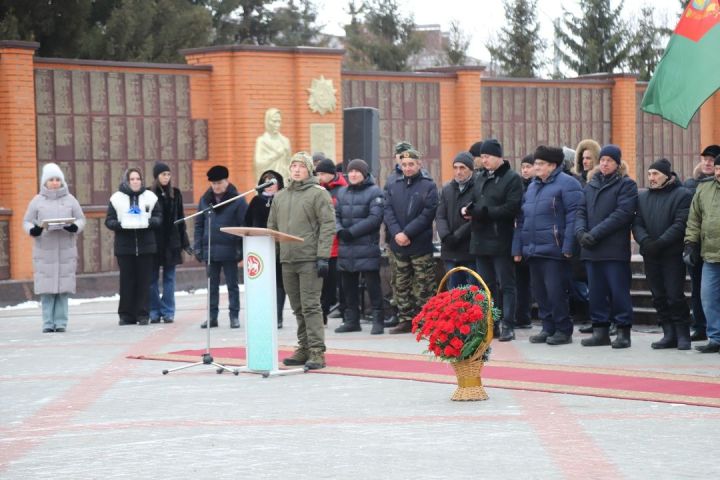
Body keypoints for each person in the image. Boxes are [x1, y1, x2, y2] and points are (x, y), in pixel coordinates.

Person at [268, 152, 335, 369]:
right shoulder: (281, 196)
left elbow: (327, 225)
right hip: (288, 259)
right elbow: (272, 228)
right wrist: (271, 254)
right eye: (293, 166)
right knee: (297, 307)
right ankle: (304, 347)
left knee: (310, 306)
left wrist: (323, 256)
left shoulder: (318, 194)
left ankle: (317, 351)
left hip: (310, 259)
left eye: (301, 166)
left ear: (309, 170)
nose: (296, 170)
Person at [513, 147, 583, 345]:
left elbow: (574, 217)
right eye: (535, 163)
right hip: (533, 249)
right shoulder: (533, 187)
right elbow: (522, 218)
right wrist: (518, 248)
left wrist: (568, 245)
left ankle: (563, 329)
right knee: (540, 293)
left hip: (555, 249)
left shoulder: (568, 184)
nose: (536, 167)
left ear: (553, 166)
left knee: (556, 292)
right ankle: (547, 327)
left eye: (540, 164)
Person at [575, 144, 638, 348]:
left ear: (617, 163)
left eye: (609, 160)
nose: (604, 164)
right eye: (602, 160)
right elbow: (580, 211)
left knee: (619, 292)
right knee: (596, 292)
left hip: (613, 250)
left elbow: (622, 214)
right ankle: (600, 331)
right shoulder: (591, 184)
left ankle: (623, 331)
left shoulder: (626, 185)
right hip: (591, 249)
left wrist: (595, 233)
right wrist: (580, 232)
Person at [461, 139, 523, 342]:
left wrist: (483, 212)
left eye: (488, 156)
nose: (484, 160)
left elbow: (511, 208)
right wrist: (469, 210)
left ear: (499, 157)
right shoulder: (480, 177)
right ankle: (491, 323)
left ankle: (508, 324)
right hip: (480, 239)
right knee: (486, 285)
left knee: (506, 284)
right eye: (483, 157)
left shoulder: (512, 178)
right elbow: (478, 202)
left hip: (500, 239)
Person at [632, 158, 693, 350]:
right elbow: (637, 223)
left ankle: (683, 334)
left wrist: (660, 243)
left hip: (672, 255)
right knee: (658, 295)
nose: (651, 178)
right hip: (650, 254)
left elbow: (680, 224)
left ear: (667, 175)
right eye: (649, 174)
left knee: (675, 295)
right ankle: (668, 333)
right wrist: (645, 241)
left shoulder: (682, 194)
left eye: (655, 174)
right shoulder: (642, 197)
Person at [23, 163, 86, 333]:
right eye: (51, 179)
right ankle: (48, 323)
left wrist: (74, 227)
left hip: (65, 250)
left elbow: (81, 219)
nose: (55, 182)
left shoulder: (70, 199)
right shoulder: (37, 201)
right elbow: (27, 221)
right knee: (47, 290)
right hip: (45, 251)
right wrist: (33, 230)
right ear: (45, 182)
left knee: (62, 290)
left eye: (58, 179)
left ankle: (61, 323)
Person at [384, 149, 439, 334]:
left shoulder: (428, 186)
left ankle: (426, 320)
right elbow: (388, 210)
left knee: (424, 285)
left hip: (419, 244)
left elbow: (427, 214)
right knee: (401, 284)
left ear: (419, 165)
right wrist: (397, 233)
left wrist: (407, 233)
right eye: (404, 164)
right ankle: (406, 319)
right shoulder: (393, 184)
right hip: (398, 244)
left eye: (411, 164)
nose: (407, 168)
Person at [105, 168, 162, 326]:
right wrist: (122, 224)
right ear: (127, 181)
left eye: (138, 178)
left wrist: (148, 222)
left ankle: (143, 314)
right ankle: (126, 315)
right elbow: (109, 221)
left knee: (144, 282)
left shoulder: (150, 197)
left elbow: (158, 217)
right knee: (127, 281)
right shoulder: (116, 198)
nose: (136, 181)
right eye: (132, 179)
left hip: (146, 247)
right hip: (125, 247)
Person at [334, 159, 385, 334]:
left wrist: (352, 232)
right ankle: (351, 320)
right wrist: (340, 230)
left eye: (357, 171)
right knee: (348, 286)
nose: (353, 174)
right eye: (351, 171)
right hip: (346, 246)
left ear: (364, 174)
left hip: (366, 246)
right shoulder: (342, 192)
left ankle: (378, 319)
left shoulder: (374, 192)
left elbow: (374, 219)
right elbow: (335, 215)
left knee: (373, 285)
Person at [193, 165, 248, 329]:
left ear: (227, 181)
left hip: (230, 250)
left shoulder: (237, 200)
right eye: (213, 183)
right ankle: (212, 317)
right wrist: (198, 247)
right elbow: (199, 225)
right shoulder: (205, 200)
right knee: (212, 285)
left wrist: (241, 250)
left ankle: (234, 316)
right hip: (210, 249)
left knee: (232, 285)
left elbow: (244, 225)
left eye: (219, 183)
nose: (216, 186)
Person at [683, 154, 720, 353]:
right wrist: (690, 243)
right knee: (708, 297)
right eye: (717, 169)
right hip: (711, 256)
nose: (718, 173)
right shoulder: (704, 188)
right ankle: (715, 338)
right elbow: (694, 219)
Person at [148, 163, 191, 324]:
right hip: (154, 242)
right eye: (163, 174)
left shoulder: (176, 194)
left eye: (168, 174)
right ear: (156, 176)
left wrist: (184, 243)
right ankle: (154, 310)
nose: (166, 177)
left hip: (171, 242)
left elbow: (181, 219)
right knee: (151, 279)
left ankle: (168, 311)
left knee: (169, 278)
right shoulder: (148, 194)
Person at [245, 169, 286, 328]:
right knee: (261, 283)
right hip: (259, 248)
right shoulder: (256, 201)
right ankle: (262, 315)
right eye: (265, 182)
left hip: (279, 247)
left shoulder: (284, 200)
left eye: (272, 182)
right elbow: (247, 222)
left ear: (279, 184)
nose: (269, 186)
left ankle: (278, 317)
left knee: (278, 284)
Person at [315, 158, 348, 325]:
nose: (320, 177)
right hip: (323, 243)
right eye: (318, 174)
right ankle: (323, 312)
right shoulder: (319, 190)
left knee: (340, 282)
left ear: (331, 174)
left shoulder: (342, 190)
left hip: (339, 243)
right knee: (325, 283)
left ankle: (344, 312)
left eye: (322, 174)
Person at [437, 151, 476, 289]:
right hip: (449, 249)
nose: (458, 172)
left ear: (471, 169)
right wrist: (446, 236)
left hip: (469, 249)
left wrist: (457, 236)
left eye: (462, 168)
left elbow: (476, 218)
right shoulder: (447, 189)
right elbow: (440, 215)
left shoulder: (477, 187)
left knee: (472, 292)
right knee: (453, 293)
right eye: (455, 167)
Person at [514, 154, 536, 329]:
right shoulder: (517, 186)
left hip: (535, 240)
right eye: (523, 167)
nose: (525, 170)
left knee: (530, 282)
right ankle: (521, 315)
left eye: (528, 166)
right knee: (519, 282)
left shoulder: (536, 187)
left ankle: (526, 316)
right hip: (519, 240)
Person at [254, 108, 292, 181]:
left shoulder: (285, 141)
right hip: (267, 182)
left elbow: (289, 164)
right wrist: (276, 155)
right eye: (274, 121)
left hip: (283, 182)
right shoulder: (262, 141)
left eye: (279, 121)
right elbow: (258, 164)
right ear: (267, 121)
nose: (277, 125)